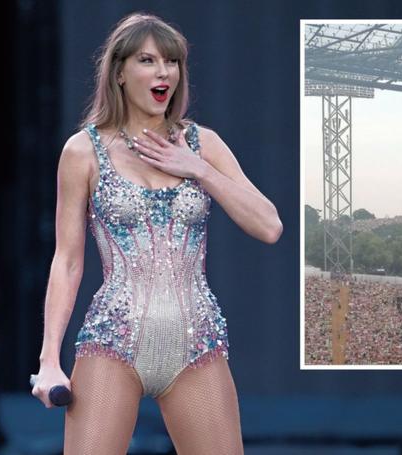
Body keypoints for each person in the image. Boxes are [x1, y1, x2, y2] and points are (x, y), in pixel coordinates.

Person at [30, 12, 282, 454]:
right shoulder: (83, 151)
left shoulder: (202, 144)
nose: (163, 71)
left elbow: (269, 225)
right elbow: (67, 261)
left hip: (196, 342)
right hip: (114, 341)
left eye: (172, 61)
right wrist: (49, 358)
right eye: (148, 60)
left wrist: (199, 170)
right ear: (120, 73)